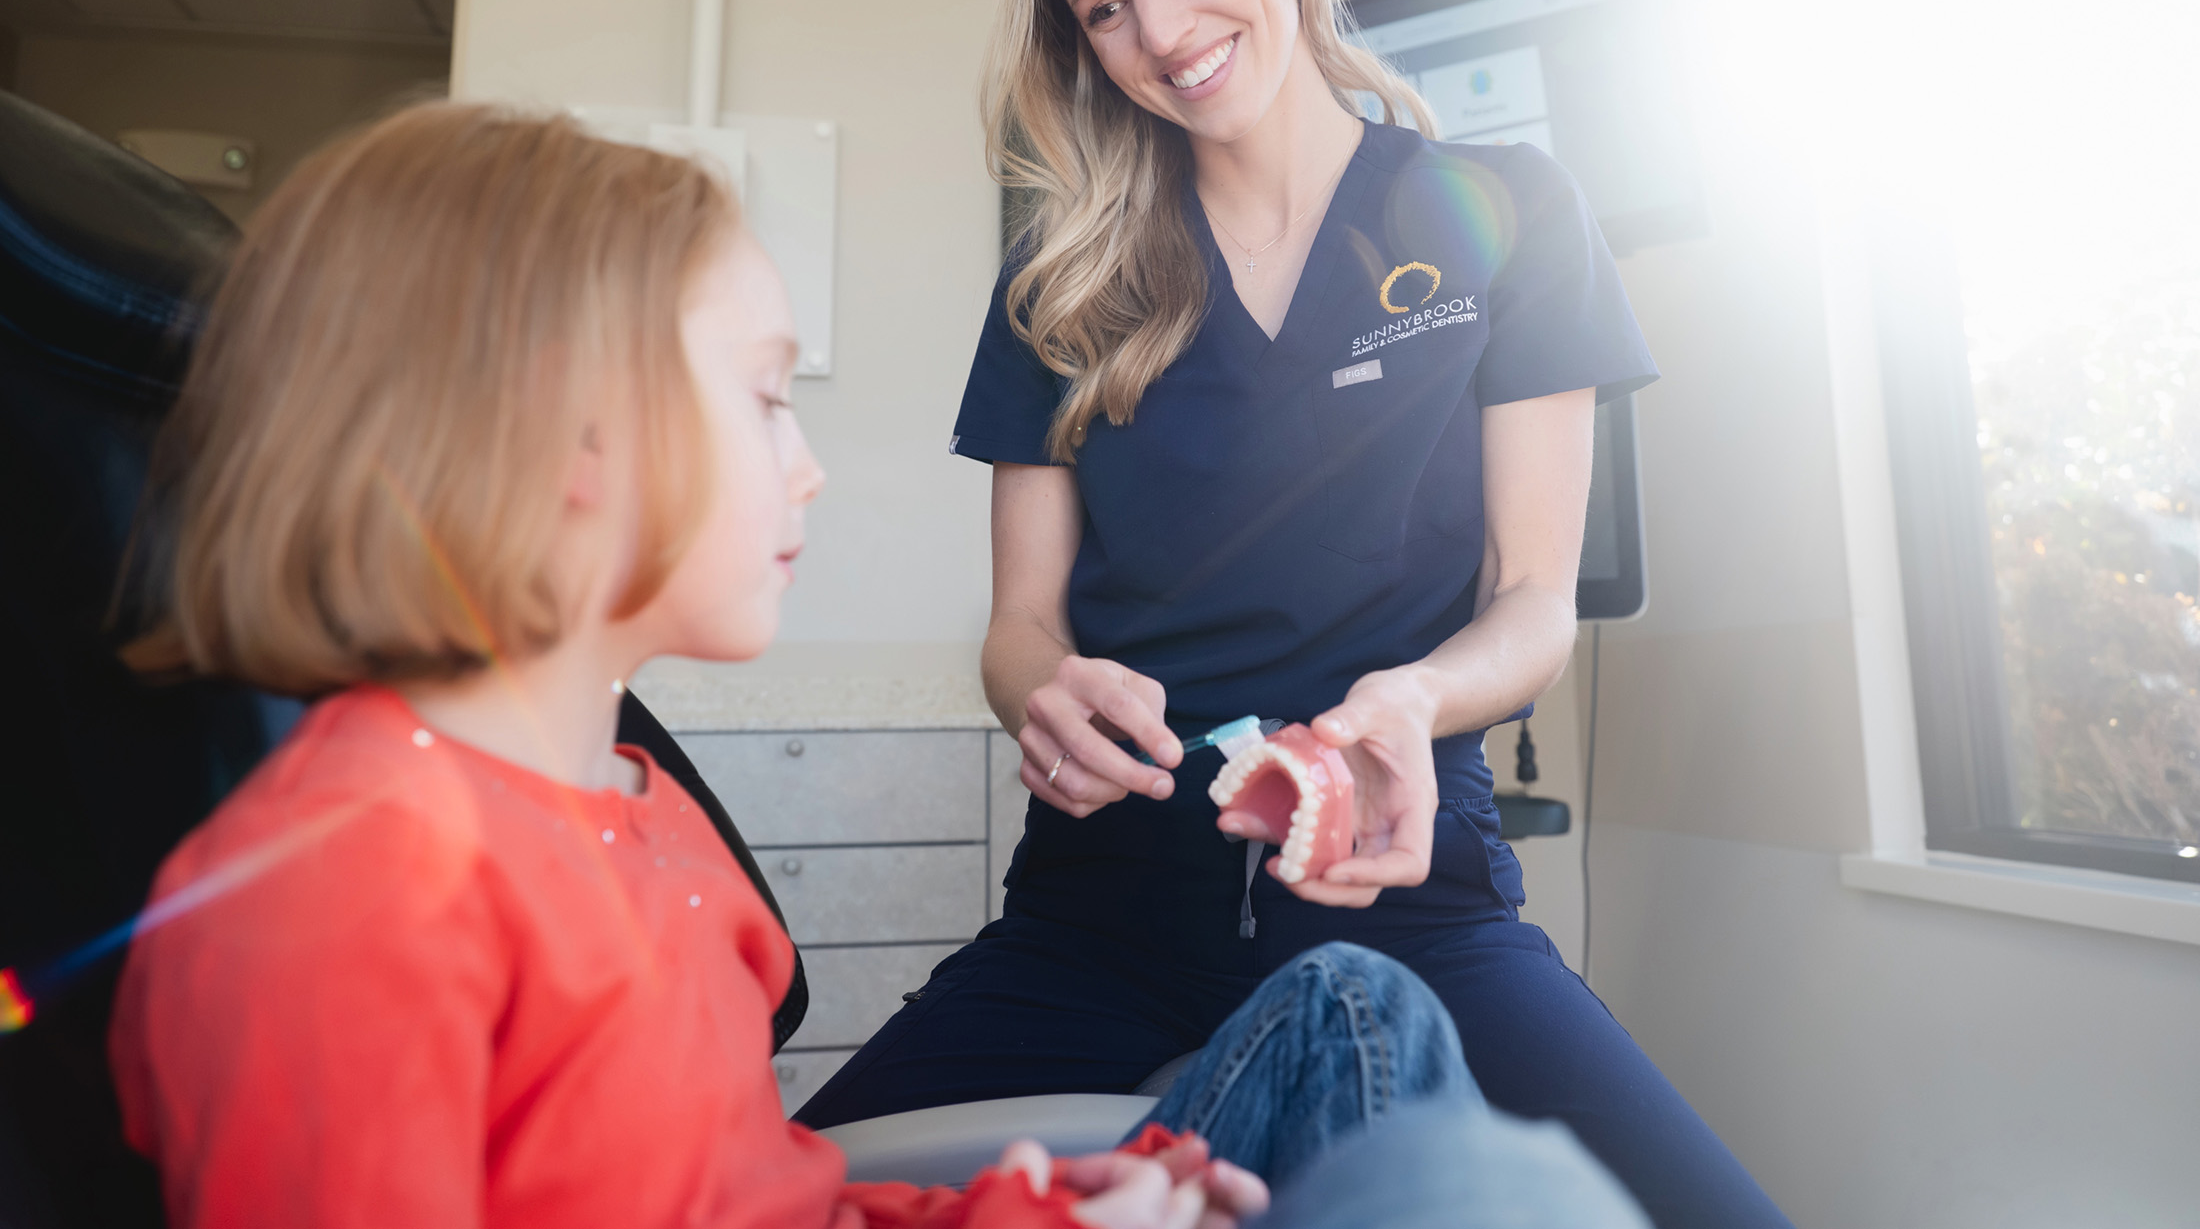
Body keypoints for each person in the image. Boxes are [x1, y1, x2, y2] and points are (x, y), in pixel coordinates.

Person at [105, 103, 1648, 1229]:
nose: (810, 467)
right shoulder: (348, 901)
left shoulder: (639, 810)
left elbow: (760, 1201)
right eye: (767, 400)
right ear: (564, 434)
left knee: (1352, 1014)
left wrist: (1044, 1209)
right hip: (1100, 930)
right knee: (1495, 1186)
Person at [793, 0, 1792, 1229]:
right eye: (1105, 7)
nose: (1161, 30)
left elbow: (1530, 598)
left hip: (1417, 903)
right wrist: (1044, 694)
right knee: (751, 1205)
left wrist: (1412, 697)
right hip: (1101, 916)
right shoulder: (1058, 288)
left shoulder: (1501, 206)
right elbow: (1020, 625)